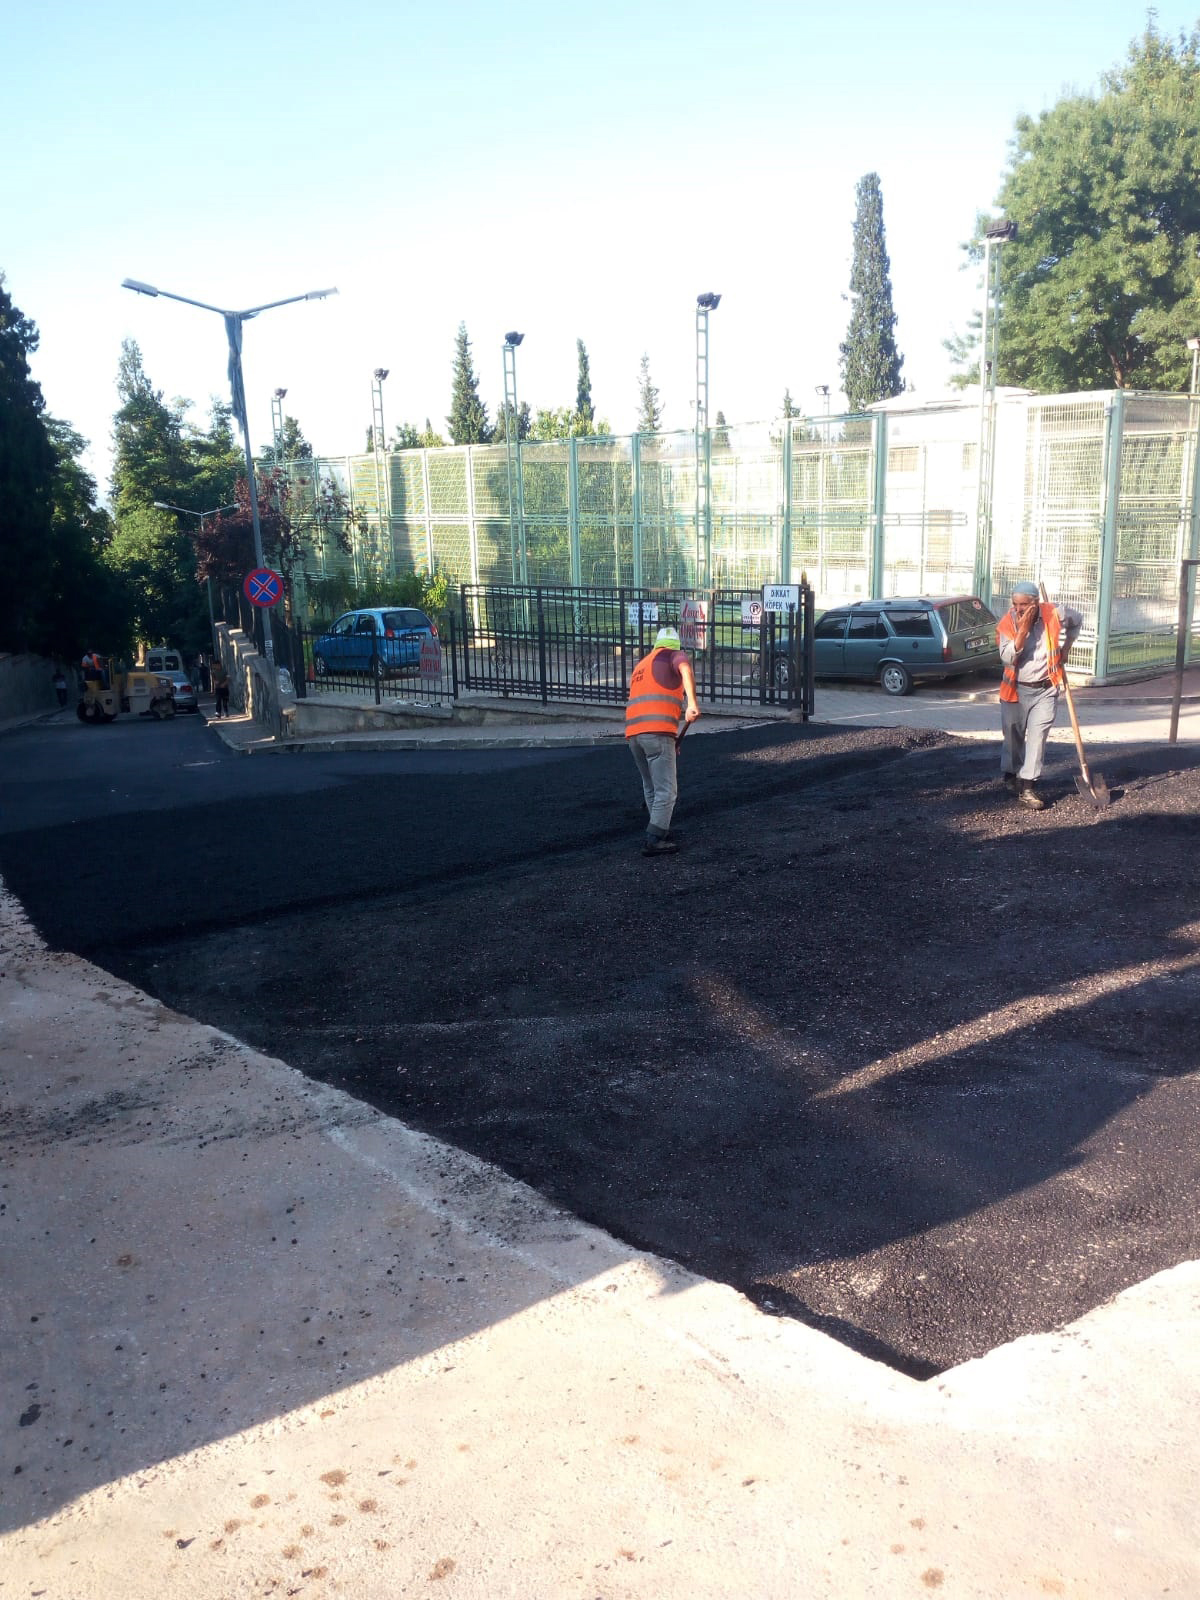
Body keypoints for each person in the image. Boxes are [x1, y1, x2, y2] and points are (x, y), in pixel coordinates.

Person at [995, 581, 1083, 811]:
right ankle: (1011, 774)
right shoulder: (1007, 623)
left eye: (1024, 604)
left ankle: (1027, 787)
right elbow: (1007, 658)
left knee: (1037, 737)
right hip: (1015, 690)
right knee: (1013, 738)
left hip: (1046, 688)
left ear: (1036, 603)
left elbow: (1077, 619)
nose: (1019, 609)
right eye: (1015, 604)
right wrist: (1022, 632)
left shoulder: (1054, 613)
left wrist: (1067, 648)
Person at [624, 625, 701, 856]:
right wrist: (692, 704)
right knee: (667, 790)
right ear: (675, 645)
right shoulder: (673, 655)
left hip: (634, 735)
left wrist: (673, 740)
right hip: (657, 733)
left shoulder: (642, 665)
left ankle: (657, 826)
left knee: (651, 786)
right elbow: (685, 669)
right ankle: (655, 838)